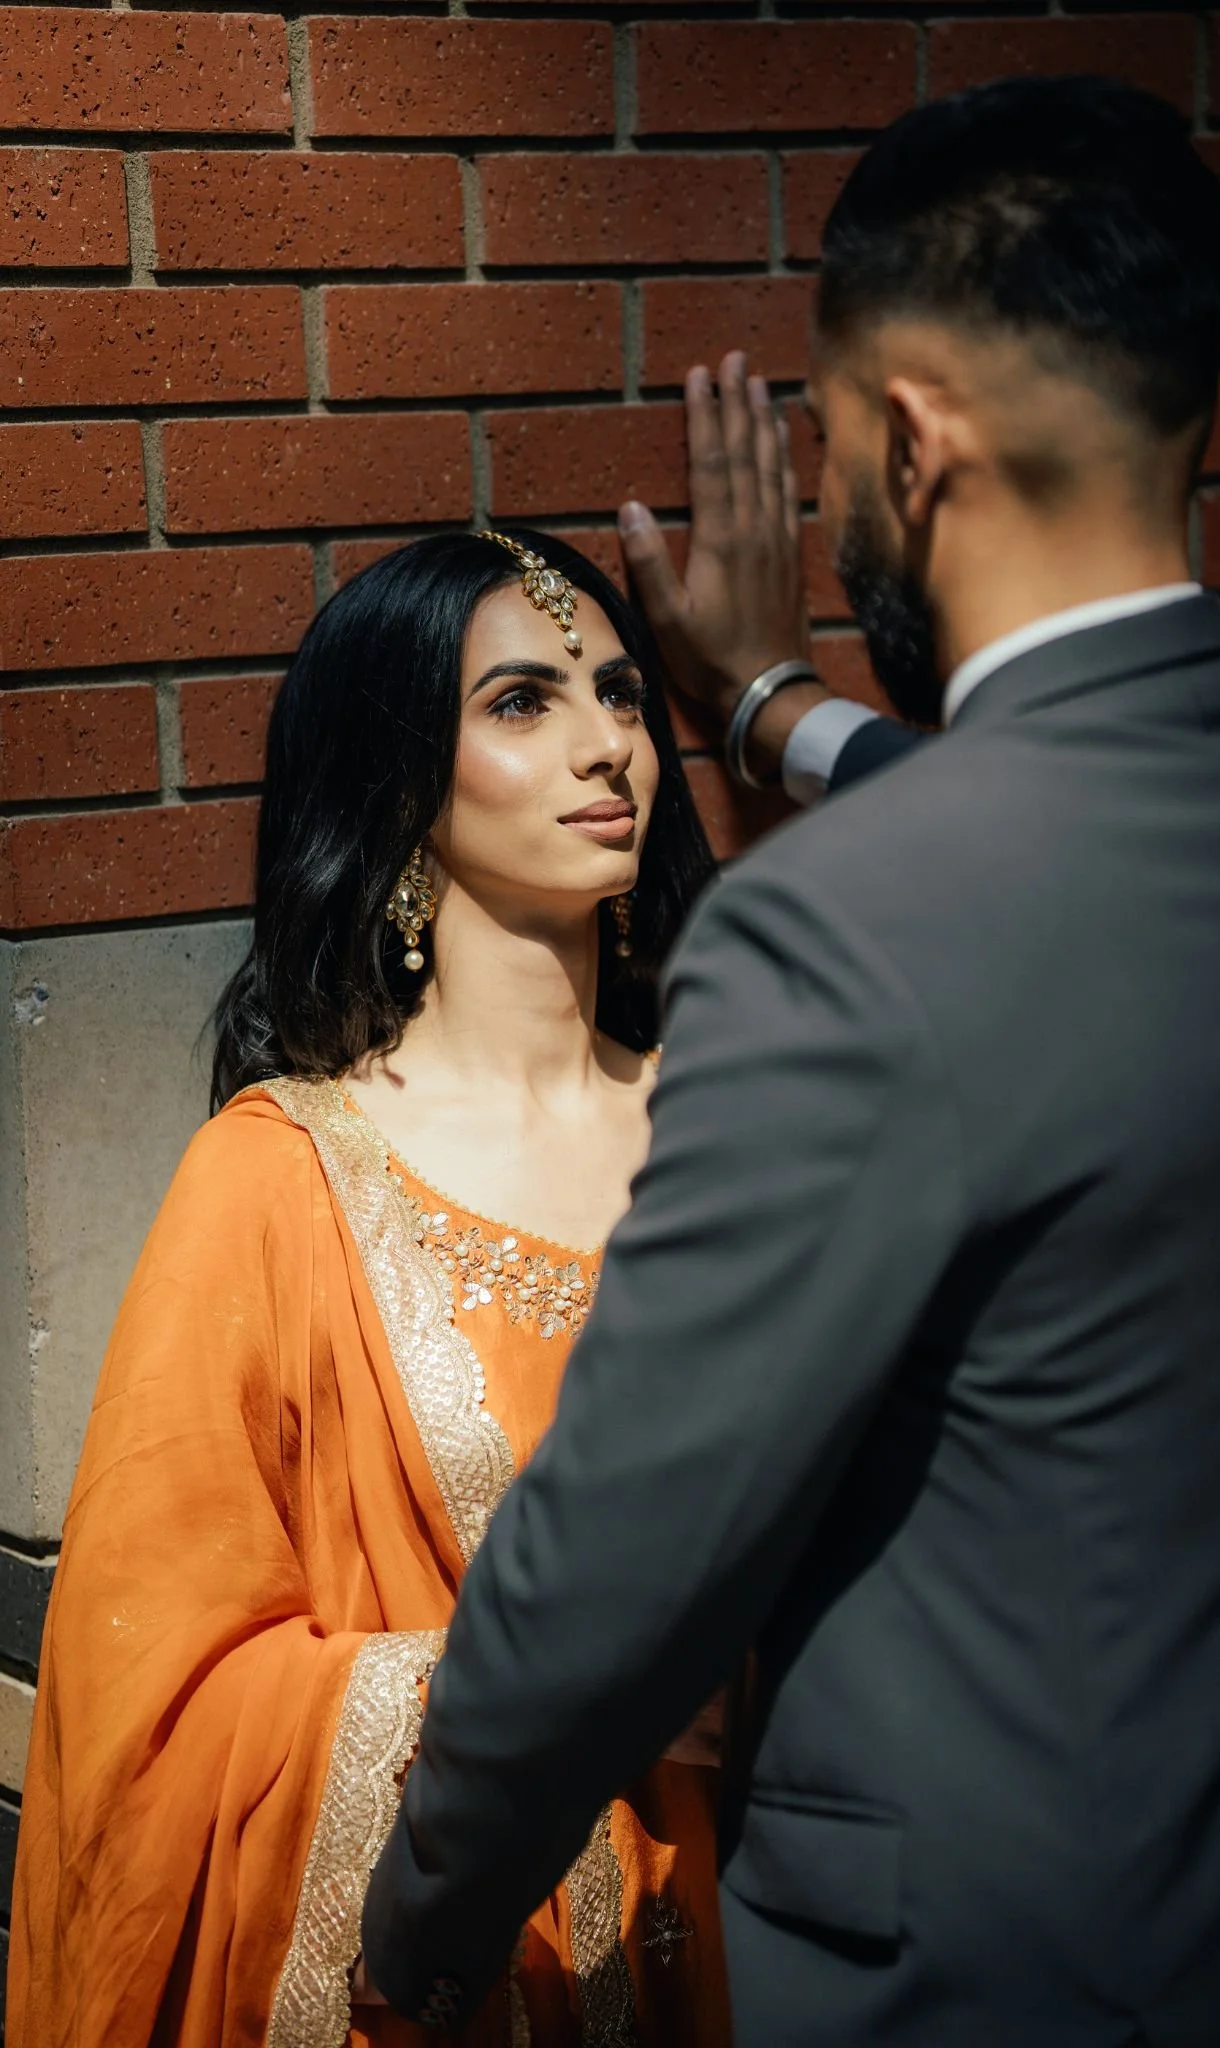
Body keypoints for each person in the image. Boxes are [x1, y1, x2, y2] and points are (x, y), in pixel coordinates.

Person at [360, 76, 1220, 2047]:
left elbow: (624, 1558)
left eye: (824, 444)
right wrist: (769, 712)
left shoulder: (834, 936)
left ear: (909, 445)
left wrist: (414, 1932)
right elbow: (1078, 811)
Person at [7, 529, 732, 2048]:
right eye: (523, 704)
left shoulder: (751, 1123)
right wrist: (577, 1694)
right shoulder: (278, 1182)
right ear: (403, 780)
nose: (609, 746)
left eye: (616, 693)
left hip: (787, 1928)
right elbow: (152, 1711)